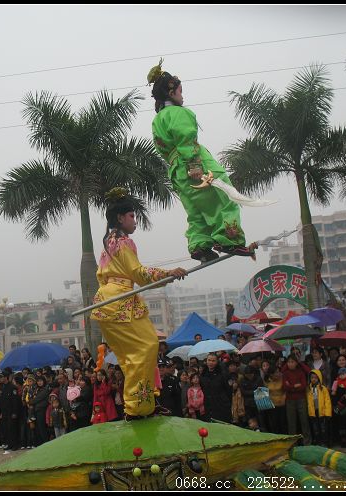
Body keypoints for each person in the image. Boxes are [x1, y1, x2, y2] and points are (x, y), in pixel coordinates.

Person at [90, 188, 187, 420]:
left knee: (132, 354)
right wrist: (168, 274)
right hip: (119, 301)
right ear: (120, 218)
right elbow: (139, 274)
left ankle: (145, 401)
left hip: (107, 302)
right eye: (132, 216)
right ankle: (138, 406)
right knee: (147, 346)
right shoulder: (123, 242)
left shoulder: (109, 242)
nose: (135, 221)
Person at [147, 59, 258, 262]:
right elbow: (186, 138)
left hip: (176, 171)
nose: (182, 95)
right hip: (196, 165)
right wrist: (195, 165)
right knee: (225, 198)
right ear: (171, 92)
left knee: (195, 210)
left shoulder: (157, 120)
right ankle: (229, 240)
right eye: (180, 91)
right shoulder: (179, 113)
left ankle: (200, 246)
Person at [282, 354, 311, 445]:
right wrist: (295, 386)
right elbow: (285, 387)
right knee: (291, 422)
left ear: (296, 363)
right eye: (288, 362)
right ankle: (293, 443)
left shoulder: (301, 372)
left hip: (301, 399)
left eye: (292, 362)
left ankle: (307, 442)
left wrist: (291, 386)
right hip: (289, 400)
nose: (290, 364)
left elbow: (303, 386)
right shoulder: (285, 373)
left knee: (304, 421)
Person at [200, 354, 232, 423]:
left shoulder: (223, 374)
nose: (211, 362)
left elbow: (229, 390)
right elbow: (203, 388)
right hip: (208, 405)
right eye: (209, 360)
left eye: (213, 361)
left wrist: (225, 401)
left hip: (221, 405)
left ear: (217, 362)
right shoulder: (203, 374)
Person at [306, 370, 332, 447]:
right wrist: (309, 412)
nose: (313, 379)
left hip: (322, 413)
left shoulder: (323, 388)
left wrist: (327, 413)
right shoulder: (308, 389)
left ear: (319, 378)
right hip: (313, 413)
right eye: (312, 378)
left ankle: (325, 442)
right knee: (315, 429)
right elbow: (308, 402)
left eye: (315, 378)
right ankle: (318, 442)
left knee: (323, 429)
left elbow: (327, 401)